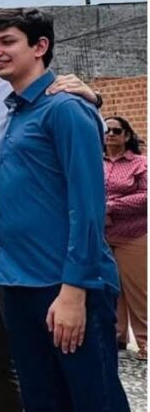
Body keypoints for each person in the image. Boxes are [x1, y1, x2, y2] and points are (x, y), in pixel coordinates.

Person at [0, 8, 101, 412]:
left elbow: (72, 136)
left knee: (58, 364)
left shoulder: (16, 90)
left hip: (12, 246)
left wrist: (93, 96)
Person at [0, 8, 128, 411]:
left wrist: (74, 290)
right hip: (21, 282)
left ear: (40, 46)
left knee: (92, 398)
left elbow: (88, 206)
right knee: (43, 399)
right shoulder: (19, 110)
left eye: (7, 41)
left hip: (65, 284)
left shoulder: (65, 109)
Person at [103, 115, 147, 360]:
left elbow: (146, 196)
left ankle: (145, 341)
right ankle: (118, 336)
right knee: (111, 288)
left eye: (116, 131)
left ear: (127, 135)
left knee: (138, 290)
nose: (110, 134)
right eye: (106, 130)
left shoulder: (140, 164)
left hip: (133, 235)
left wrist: (111, 206)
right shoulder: (95, 161)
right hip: (104, 235)